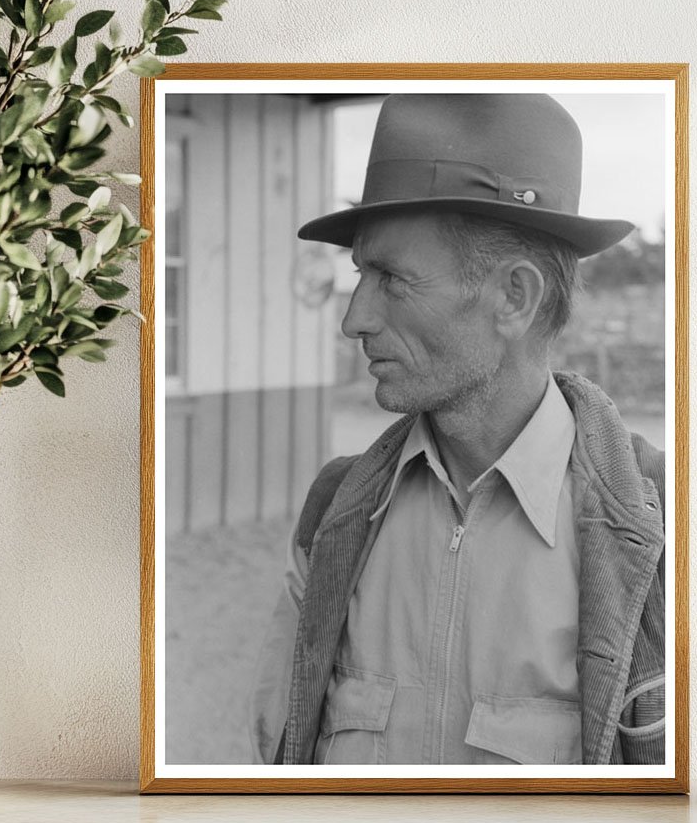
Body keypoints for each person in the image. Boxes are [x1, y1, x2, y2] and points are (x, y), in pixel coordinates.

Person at [249, 93, 665, 766]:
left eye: (392, 278)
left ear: (514, 297)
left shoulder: (659, 532)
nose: (354, 318)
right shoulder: (335, 515)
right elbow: (277, 766)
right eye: (361, 274)